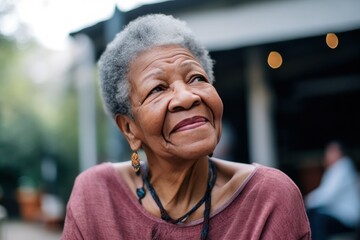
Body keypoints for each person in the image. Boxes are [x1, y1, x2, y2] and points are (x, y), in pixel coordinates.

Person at [61, 14, 310, 239]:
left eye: (196, 78)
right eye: (157, 88)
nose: (187, 96)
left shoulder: (269, 199)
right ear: (129, 129)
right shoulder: (95, 197)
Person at [305, 141, 360, 240]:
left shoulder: (343, 167)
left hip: (347, 218)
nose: (327, 155)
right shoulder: (334, 169)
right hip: (336, 214)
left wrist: (306, 202)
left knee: (318, 219)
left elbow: (326, 195)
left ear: (340, 152)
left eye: (331, 152)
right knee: (313, 215)